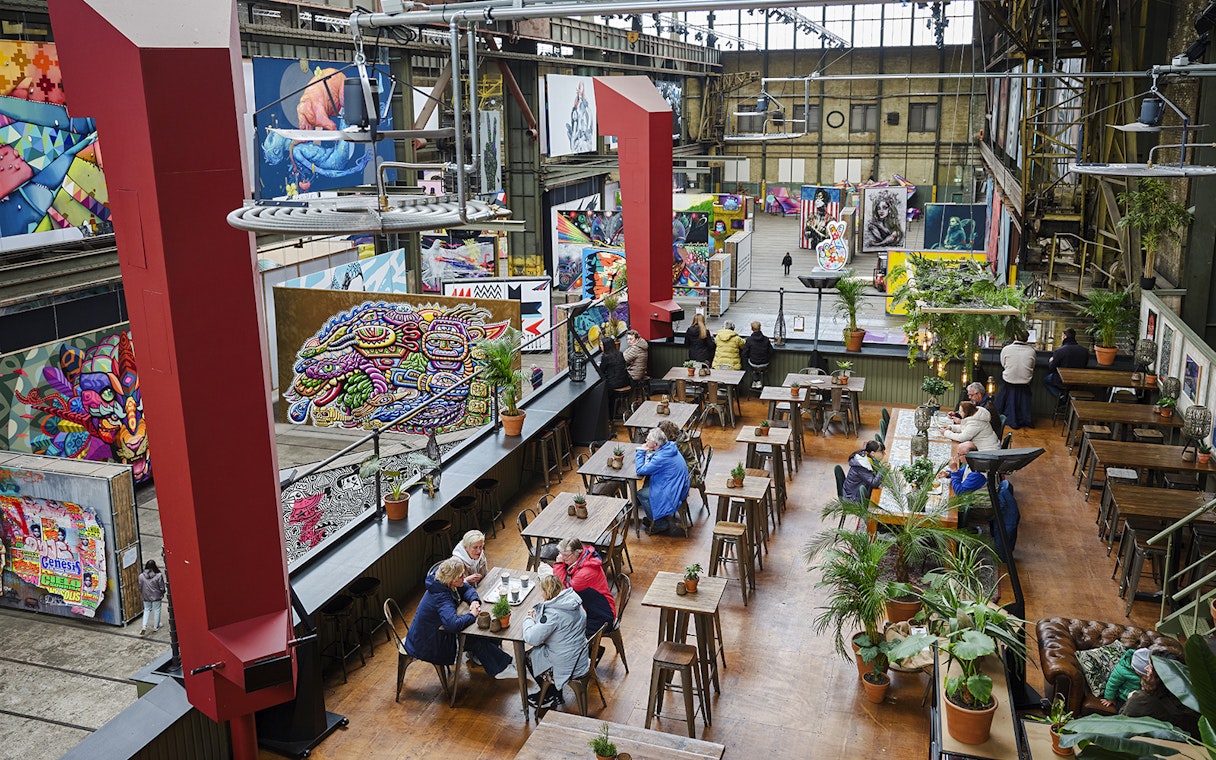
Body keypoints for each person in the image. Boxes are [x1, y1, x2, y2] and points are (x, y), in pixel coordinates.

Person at [405, 558, 516, 680]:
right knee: (477, 639)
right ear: (451, 580)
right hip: (430, 644)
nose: (465, 577)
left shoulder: (443, 582)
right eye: (461, 576)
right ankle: (501, 669)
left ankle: (495, 660)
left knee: (483, 632)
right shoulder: (442, 598)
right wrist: (471, 615)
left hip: (428, 635)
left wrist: (473, 600)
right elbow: (452, 625)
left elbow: (467, 588)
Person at [523, 575, 590, 710]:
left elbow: (531, 638)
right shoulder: (574, 602)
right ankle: (553, 692)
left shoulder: (554, 614)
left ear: (546, 592)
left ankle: (550, 693)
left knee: (528, 656)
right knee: (541, 649)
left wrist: (529, 619)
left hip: (568, 665)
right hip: (580, 657)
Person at [1120, 647, 1200, 738]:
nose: (1146, 668)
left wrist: (1130, 698)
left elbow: (1122, 722)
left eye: (1150, 666)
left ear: (1158, 676)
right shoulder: (1195, 691)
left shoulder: (1141, 700)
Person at [552, 538, 616, 639]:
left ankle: (586, 651)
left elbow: (562, 589)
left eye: (566, 555)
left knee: (562, 630)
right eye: (561, 554)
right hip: (590, 607)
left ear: (577, 553)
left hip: (601, 617)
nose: (562, 558)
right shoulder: (584, 557)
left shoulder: (584, 574)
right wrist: (564, 560)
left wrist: (559, 565)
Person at [634, 427, 691, 534]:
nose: (645, 442)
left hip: (673, 491)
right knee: (647, 481)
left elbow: (640, 470)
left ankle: (659, 523)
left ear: (655, 444)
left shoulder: (662, 457)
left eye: (647, 440)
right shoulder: (669, 447)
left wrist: (640, 452)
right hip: (678, 484)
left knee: (641, 494)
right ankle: (645, 508)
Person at [999, 329, 1036, 429]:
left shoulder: (1006, 349)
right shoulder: (1031, 351)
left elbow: (1003, 364)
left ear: (1015, 336)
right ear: (1027, 338)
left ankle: (1006, 412)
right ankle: (1023, 416)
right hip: (1025, 382)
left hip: (1009, 380)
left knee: (1004, 376)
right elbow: (1032, 366)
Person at [658, 420, 702, 495]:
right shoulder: (679, 440)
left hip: (688, 473)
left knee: (656, 476)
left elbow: (668, 462)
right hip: (688, 467)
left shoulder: (677, 446)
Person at [1045, 328, 1089, 399]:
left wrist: (1051, 361)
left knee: (1046, 380)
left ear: (1065, 337)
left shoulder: (1060, 351)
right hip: (1078, 380)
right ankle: (1067, 397)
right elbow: (1085, 365)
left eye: (1062, 336)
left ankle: (1061, 396)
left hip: (1062, 380)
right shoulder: (1084, 351)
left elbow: (1052, 368)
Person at [600, 336, 633, 417]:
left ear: (606, 346)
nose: (600, 346)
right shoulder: (620, 353)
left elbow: (601, 370)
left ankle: (610, 416)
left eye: (601, 344)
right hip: (625, 382)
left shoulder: (605, 357)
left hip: (614, 384)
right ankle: (617, 410)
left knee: (605, 393)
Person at [740, 321, 774, 388]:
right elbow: (771, 351)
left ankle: (756, 380)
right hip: (765, 363)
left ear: (752, 329)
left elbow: (744, 354)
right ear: (760, 328)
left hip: (754, 363)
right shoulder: (766, 339)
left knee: (749, 363)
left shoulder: (749, 340)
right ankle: (756, 380)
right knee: (755, 364)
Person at [137, 560, 166, 636]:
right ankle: (156, 626)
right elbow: (162, 587)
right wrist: (162, 592)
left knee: (146, 610)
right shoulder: (158, 575)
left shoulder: (141, 576)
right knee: (157, 610)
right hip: (156, 596)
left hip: (146, 595)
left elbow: (140, 587)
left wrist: (142, 593)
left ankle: (144, 626)